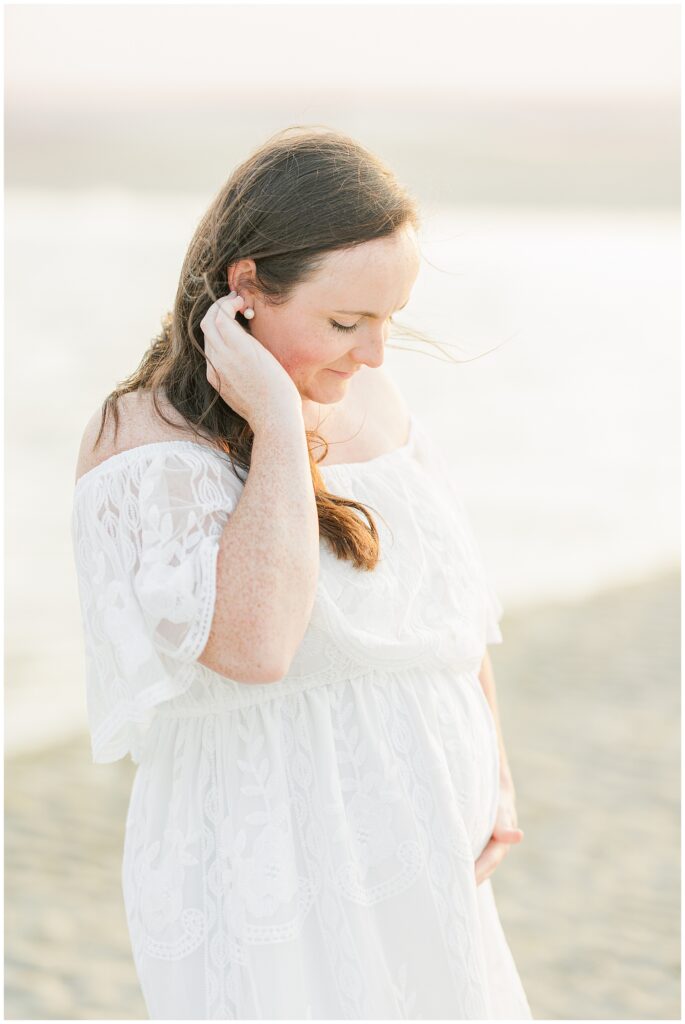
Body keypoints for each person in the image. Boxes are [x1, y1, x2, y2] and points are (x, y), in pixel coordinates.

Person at [71, 125, 532, 1019]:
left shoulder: (378, 396)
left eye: (389, 320)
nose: (374, 356)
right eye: (346, 322)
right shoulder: (141, 439)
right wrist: (279, 427)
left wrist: (495, 773)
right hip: (273, 851)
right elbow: (255, 644)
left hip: (428, 851)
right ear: (245, 288)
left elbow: (450, 610)